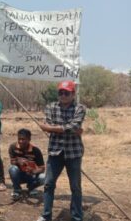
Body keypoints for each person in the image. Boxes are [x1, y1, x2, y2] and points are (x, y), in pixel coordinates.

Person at [36, 80, 86, 221]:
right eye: (60, 92)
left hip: (74, 153)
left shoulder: (80, 108)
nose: (63, 95)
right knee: (48, 184)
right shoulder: (51, 107)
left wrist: (50, 128)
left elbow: (71, 126)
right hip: (55, 152)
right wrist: (72, 129)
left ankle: (77, 217)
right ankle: (46, 216)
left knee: (75, 187)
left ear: (73, 94)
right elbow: (71, 128)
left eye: (66, 93)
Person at [8, 128, 45, 200]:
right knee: (12, 169)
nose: (20, 141)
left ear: (29, 139)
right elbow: (12, 162)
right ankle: (17, 189)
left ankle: (31, 188)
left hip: (31, 175)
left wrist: (34, 171)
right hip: (19, 175)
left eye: (23, 139)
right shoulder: (13, 147)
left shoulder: (35, 150)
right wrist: (18, 161)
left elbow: (42, 168)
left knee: (44, 177)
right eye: (19, 139)